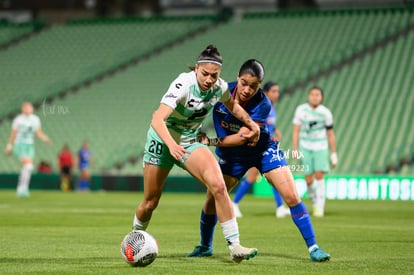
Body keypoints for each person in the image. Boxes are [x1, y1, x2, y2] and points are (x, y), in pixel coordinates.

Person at [187, 59, 331, 262]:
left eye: (253, 86)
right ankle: (204, 246)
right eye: (244, 83)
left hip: (262, 151)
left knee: (291, 196)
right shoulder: (221, 91)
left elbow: (244, 135)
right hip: (233, 155)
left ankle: (314, 247)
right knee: (212, 199)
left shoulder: (263, 103)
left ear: (259, 86)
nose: (247, 89)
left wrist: (211, 141)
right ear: (238, 77)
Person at [132, 45, 260, 263]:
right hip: (162, 141)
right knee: (150, 201)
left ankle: (235, 246)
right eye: (205, 74)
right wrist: (171, 146)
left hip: (190, 142)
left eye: (214, 75)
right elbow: (157, 118)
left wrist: (252, 124)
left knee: (218, 185)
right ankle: (134, 237)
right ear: (197, 69)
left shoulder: (219, 87)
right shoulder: (183, 83)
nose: (210, 79)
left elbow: (233, 106)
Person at [231, 81, 290, 219]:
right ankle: (233, 204)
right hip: (257, 146)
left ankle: (280, 207)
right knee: (253, 177)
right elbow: (254, 121)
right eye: (274, 91)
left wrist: (275, 130)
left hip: (265, 145)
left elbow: (266, 123)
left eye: (278, 91)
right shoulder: (261, 104)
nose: (277, 94)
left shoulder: (271, 107)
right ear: (267, 92)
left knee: (274, 175)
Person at [292, 86, 337, 217]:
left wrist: (333, 153)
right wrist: (295, 148)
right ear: (308, 96)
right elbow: (296, 130)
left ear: (321, 97)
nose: (314, 97)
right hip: (305, 147)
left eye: (317, 95)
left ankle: (320, 206)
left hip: (320, 147)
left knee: (319, 175)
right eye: (312, 94)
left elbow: (330, 133)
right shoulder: (301, 110)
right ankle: (314, 201)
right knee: (308, 179)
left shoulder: (326, 113)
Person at [5, 102, 52, 198]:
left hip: (29, 146)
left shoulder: (35, 119)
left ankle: (23, 188)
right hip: (19, 145)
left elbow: (38, 132)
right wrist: (9, 146)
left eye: (29, 107)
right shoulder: (18, 120)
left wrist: (45, 139)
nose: (27, 109)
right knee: (28, 165)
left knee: (28, 167)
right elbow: (13, 134)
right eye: (25, 107)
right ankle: (21, 189)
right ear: (22, 109)